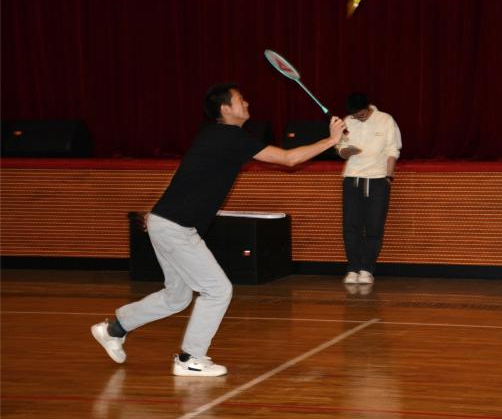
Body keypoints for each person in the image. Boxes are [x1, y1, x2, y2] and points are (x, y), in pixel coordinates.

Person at [91, 82, 345, 377]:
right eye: (241, 100)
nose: (247, 103)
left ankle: (114, 329)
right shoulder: (230, 137)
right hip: (175, 227)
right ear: (225, 108)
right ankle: (191, 358)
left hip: (168, 223)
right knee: (218, 290)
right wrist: (331, 139)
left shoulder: (212, 135)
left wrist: (156, 210)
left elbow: (182, 174)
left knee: (177, 297)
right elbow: (289, 159)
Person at [335, 92, 401, 285]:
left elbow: (393, 150)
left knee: (374, 226)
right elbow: (340, 149)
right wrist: (346, 151)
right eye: (355, 115)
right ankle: (353, 268)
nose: (358, 118)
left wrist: (388, 176)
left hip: (378, 179)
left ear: (368, 107)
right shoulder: (348, 121)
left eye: (361, 114)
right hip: (352, 178)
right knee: (351, 226)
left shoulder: (386, 120)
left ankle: (366, 269)